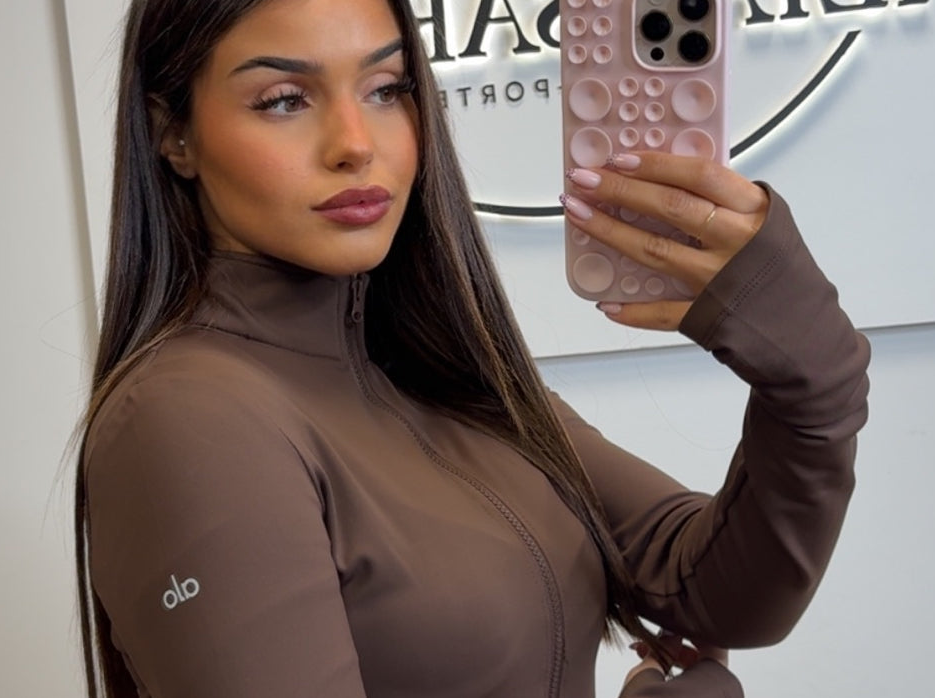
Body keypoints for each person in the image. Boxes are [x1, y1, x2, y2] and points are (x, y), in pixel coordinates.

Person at [73, 0, 871, 696]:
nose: (355, 143)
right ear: (172, 134)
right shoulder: (191, 420)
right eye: (284, 99)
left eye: (387, 89)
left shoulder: (436, 375)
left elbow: (716, 590)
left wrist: (811, 376)